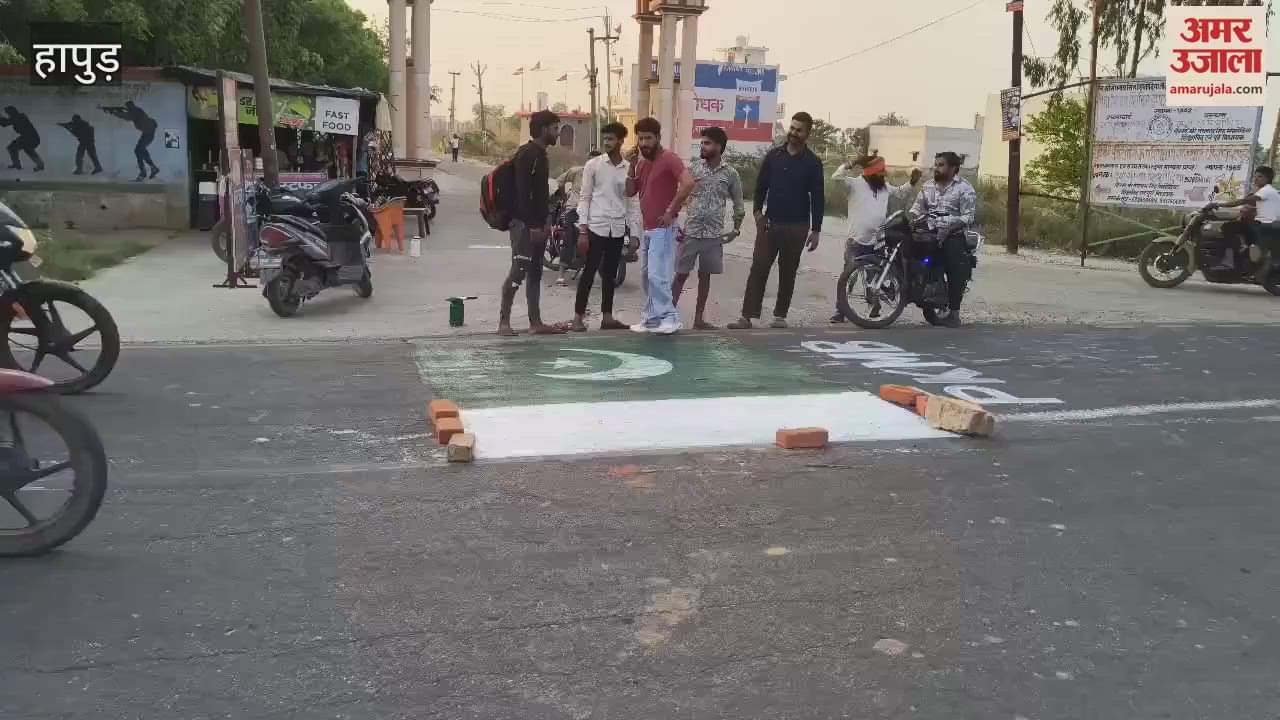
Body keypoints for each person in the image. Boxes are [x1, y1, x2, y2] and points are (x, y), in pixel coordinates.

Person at [728, 112, 825, 330]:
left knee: (788, 271)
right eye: (792, 128)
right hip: (770, 223)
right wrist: (757, 213)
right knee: (759, 268)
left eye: (799, 130)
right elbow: (761, 186)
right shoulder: (774, 156)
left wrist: (816, 229)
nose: (793, 133)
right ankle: (746, 317)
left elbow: (818, 197)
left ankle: (780, 316)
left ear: (807, 134)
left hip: (797, 226)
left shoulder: (813, 163)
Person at [497, 109, 567, 336]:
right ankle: (504, 323)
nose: (558, 133)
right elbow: (523, 193)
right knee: (518, 271)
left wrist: (546, 221)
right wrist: (534, 226)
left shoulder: (541, 154)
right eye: (555, 129)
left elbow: (540, 195)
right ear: (544, 129)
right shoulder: (528, 154)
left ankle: (535, 322)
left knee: (535, 273)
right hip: (524, 226)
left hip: (536, 225)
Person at [829, 154, 922, 322]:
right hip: (857, 241)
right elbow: (836, 177)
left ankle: (875, 307)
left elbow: (900, 193)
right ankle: (840, 311)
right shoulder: (854, 184)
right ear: (870, 173)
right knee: (849, 276)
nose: (883, 176)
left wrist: (912, 182)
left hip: (878, 241)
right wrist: (851, 164)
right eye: (879, 173)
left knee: (874, 277)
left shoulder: (884, 187)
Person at [627, 117, 696, 335]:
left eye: (648, 138)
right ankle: (652, 319)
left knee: (658, 275)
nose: (644, 143)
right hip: (647, 227)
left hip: (663, 229)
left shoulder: (670, 159)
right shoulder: (642, 163)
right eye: (641, 139)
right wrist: (630, 165)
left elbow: (688, 183)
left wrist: (670, 211)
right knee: (648, 277)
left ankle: (670, 317)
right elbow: (630, 191)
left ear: (658, 138)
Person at [672, 126, 745, 330]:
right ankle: (667, 316)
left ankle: (698, 319)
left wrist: (736, 229)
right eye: (702, 142)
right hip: (691, 231)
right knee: (680, 275)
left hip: (713, 235)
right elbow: (679, 196)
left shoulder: (730, 173)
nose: (703, 146)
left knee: (706, 276)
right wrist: (675, 222)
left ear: (719, 147)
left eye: (707, 143)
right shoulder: (694, 168)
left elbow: (739, 203)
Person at [570, 124, 632, 332]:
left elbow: (631, 202)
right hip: (596, 227)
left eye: (611, 139)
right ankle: (578, 317)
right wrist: (583, 229)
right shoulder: (593, 165)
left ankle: (607, 317)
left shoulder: (628, 168)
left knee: (610, 274)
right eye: (605, 139)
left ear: (621, 141)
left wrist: (634, 232)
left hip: (617, 228)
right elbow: (585, 198)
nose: (607, 143)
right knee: (587, 274)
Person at [909, 151, 977, 328]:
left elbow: (968, 217)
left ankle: (954, 314)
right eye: (936, 164)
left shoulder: (965, 188)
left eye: (941, 165)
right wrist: (912, 219)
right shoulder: (928, 186)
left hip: (952, 235)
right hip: (928, 234)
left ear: (953, 168)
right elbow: (916, 209)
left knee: (956, 269)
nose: (936, 168)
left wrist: (948, 226)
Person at [1208, 166, 1279, 269]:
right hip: (1266, 226)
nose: (1255, 179)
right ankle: (1242, 252)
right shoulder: (1267, 191)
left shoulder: (1266, 190)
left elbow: (1243, 201)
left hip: (1263, 226)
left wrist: (1219, 205)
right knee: (1238, 226)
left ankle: (1229, 260)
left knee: (1228, 227)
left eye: (1259, 177)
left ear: (1267, 179)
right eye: (1255, 176)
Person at [555, 150, 601, 286]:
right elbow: (559, 181)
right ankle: (561, 274)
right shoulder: (576, 171)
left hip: (592, 212)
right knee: (568, 236)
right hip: (574, 209)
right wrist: (563, 197)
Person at [102, 101, 159, 181]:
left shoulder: (134, 112)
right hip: (148, 133)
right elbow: (125, 113)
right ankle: (153, 168)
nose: (127, 109)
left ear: (129, 107)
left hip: (148, 134)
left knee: (138, 151)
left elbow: (125, 116)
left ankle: (143, 172)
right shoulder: (136, 110)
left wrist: (112, 112)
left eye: (127, 108)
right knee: (141, 150)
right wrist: (112, 110)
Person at [1, 106, 44, 172]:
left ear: (11, 113)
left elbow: (5, 123)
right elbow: (6, 122)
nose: (8, 115)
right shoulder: (18, 116)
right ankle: (18, 164)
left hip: (30, 138)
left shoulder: (17, 117)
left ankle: (39, 165)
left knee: (17, 148)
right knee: (16, 148)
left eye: (8, 113)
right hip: (29, 137)